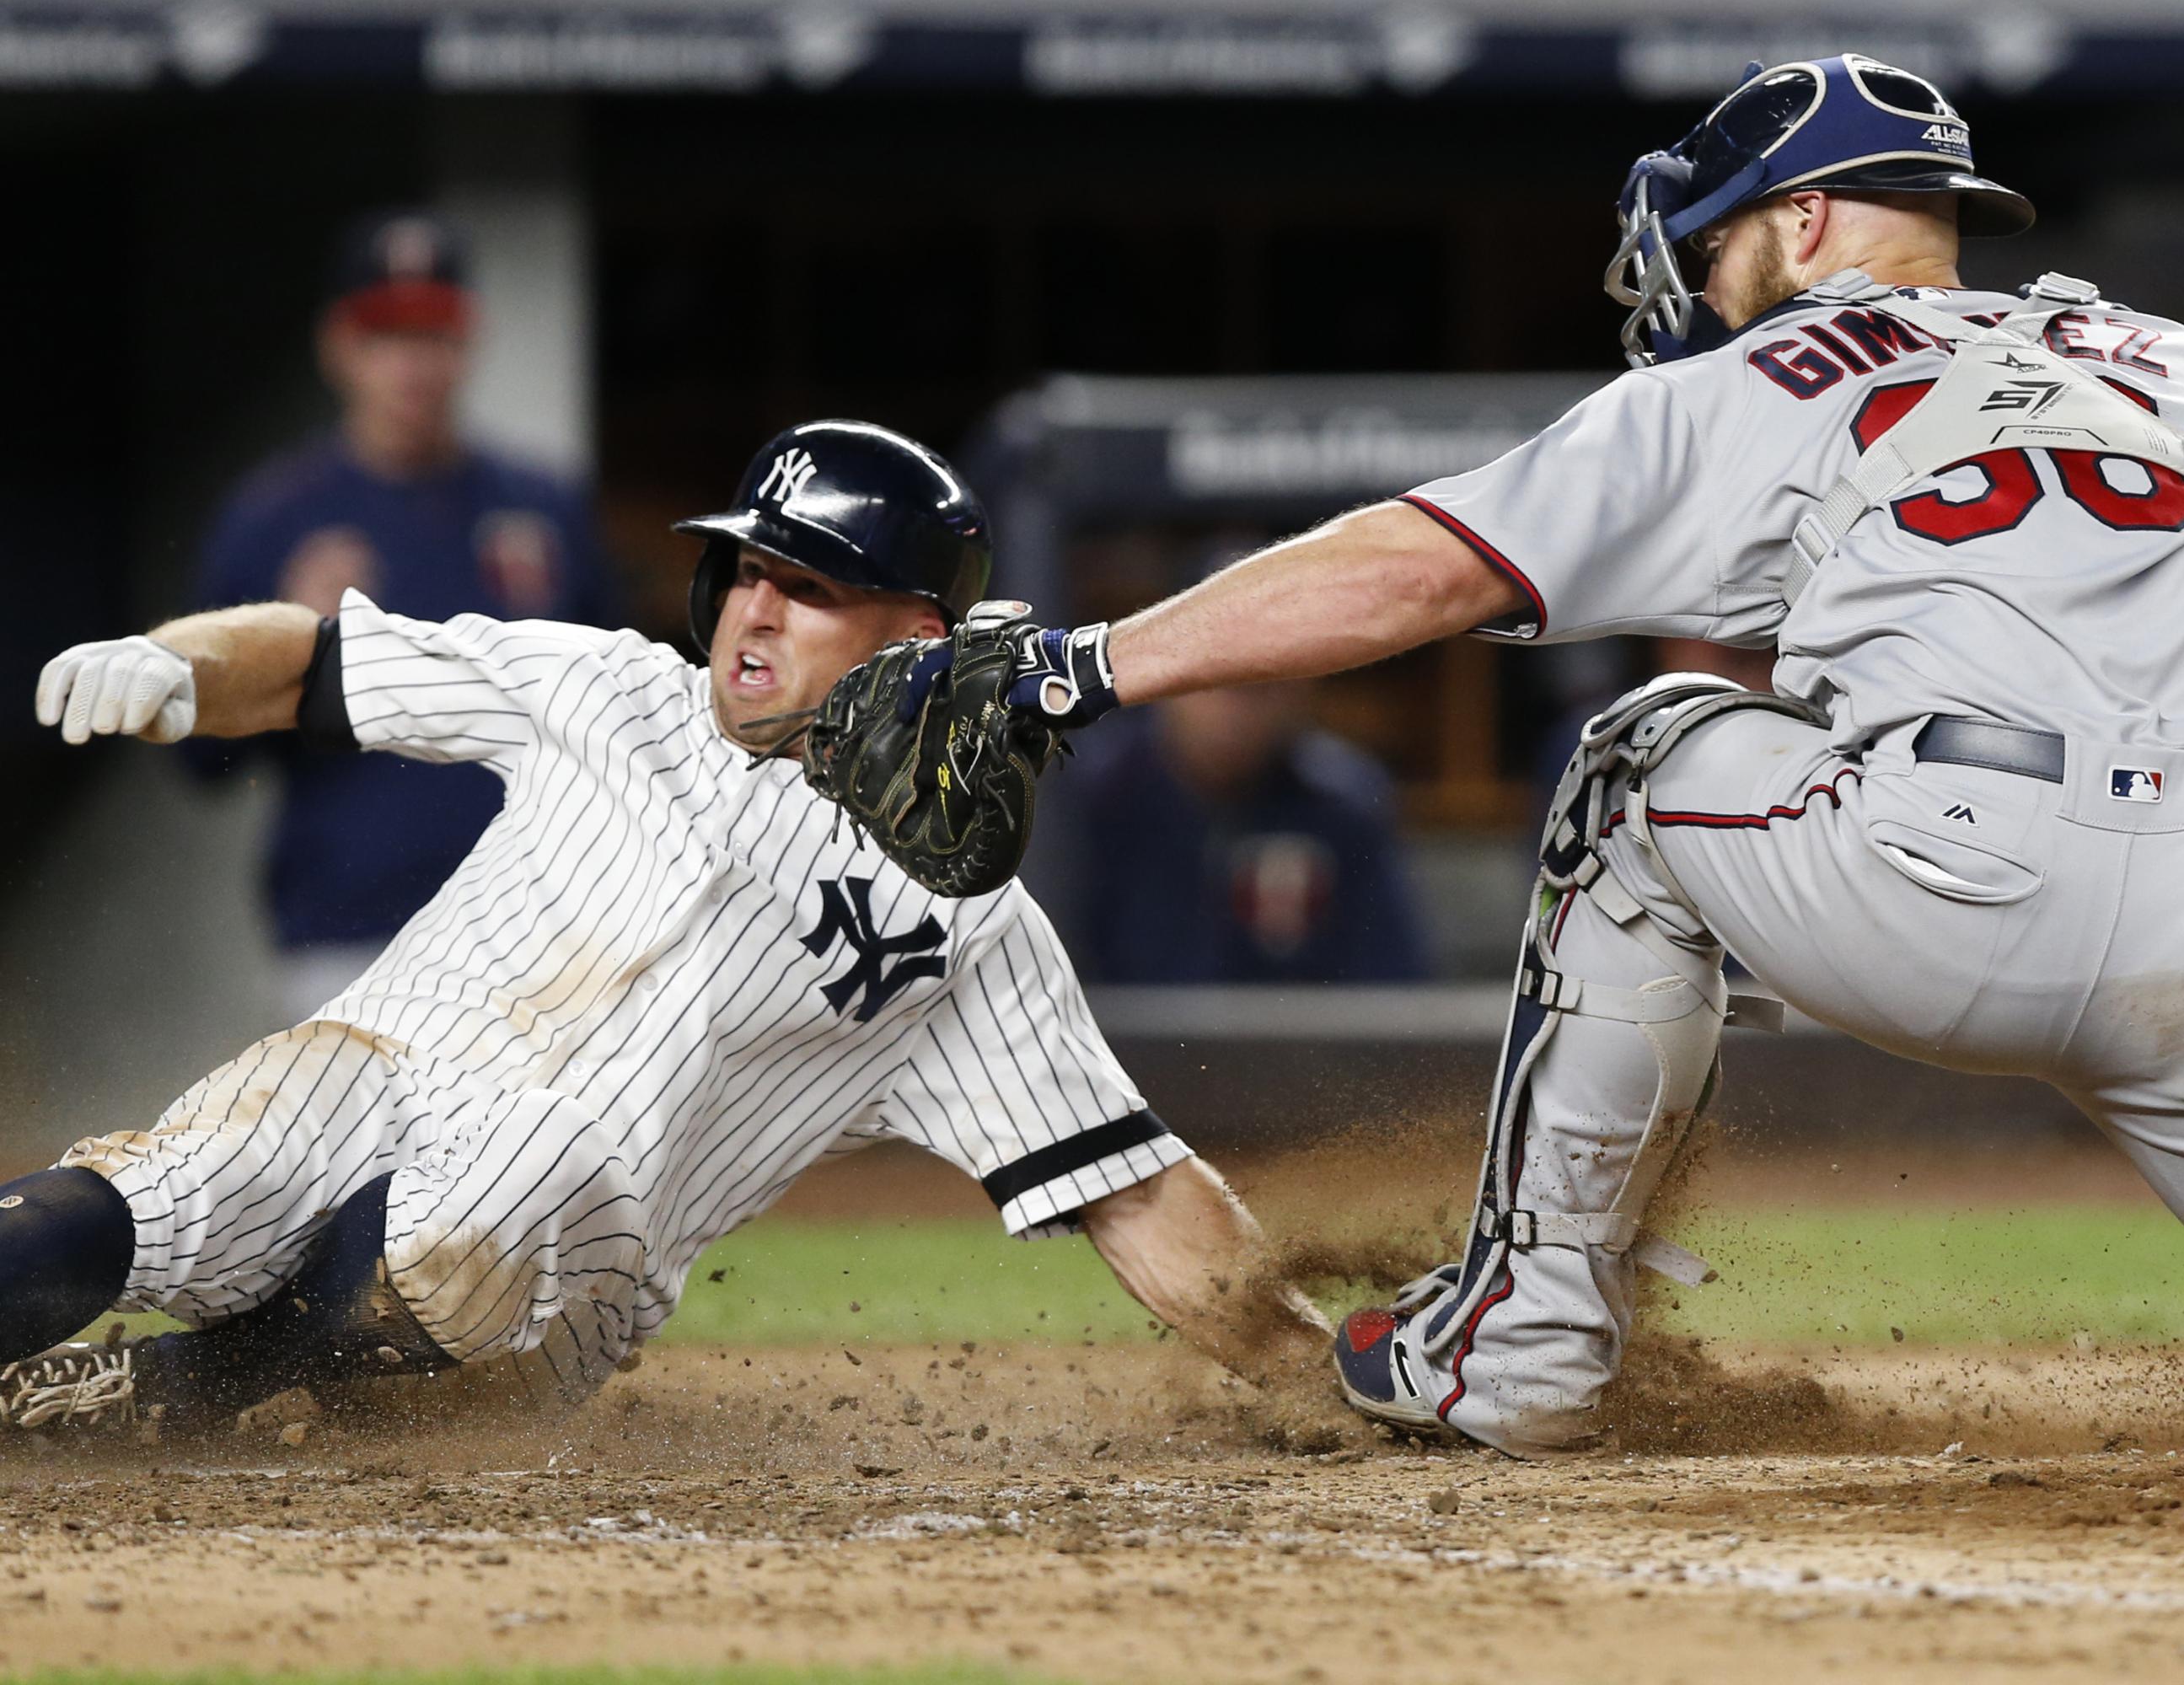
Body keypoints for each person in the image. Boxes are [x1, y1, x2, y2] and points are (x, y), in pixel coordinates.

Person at [879, 54, 2184, 1472]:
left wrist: (1081, 663)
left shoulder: (1775, 370)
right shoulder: (2176, 362)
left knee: (1631, 763)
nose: (1694, 289)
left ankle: (1528, 1343)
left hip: (1944, 874)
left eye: (1709, 247)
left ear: (1804, 218)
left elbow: (1422, 565)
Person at [6, 420, 1321, 1435]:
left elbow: (1136, 1191)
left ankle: (165, 1391)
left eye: (805, 586)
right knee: (196, 1172)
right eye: (747, 569)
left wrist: (1319, 1375)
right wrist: (180, 662)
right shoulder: (605, 687)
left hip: (531, 1316)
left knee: (520, 1158)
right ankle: (99, 1379)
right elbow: (306, 658)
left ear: (921, 641)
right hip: (371, 1101)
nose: (753, 606)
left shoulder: (968, 929)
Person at [191, 209, 611, 1020]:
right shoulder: (274, 517)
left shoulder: (543, 509)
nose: (412, 362)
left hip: (531, 929)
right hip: (346, 934)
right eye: (385, 333)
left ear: (469, 338)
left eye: (434, 332)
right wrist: (279, 639)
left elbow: (613, 720)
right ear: (337, 344)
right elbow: (201, 762)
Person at [1067, 678, 1431, 983]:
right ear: (1164, 685)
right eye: (1209, 684)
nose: (1232, 713)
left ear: (1300, 691)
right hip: (1106, 1060)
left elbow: (1393, 993)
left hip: (1297, 1064)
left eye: (1258, 688)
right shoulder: (1094, 792)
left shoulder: (1345, 804)